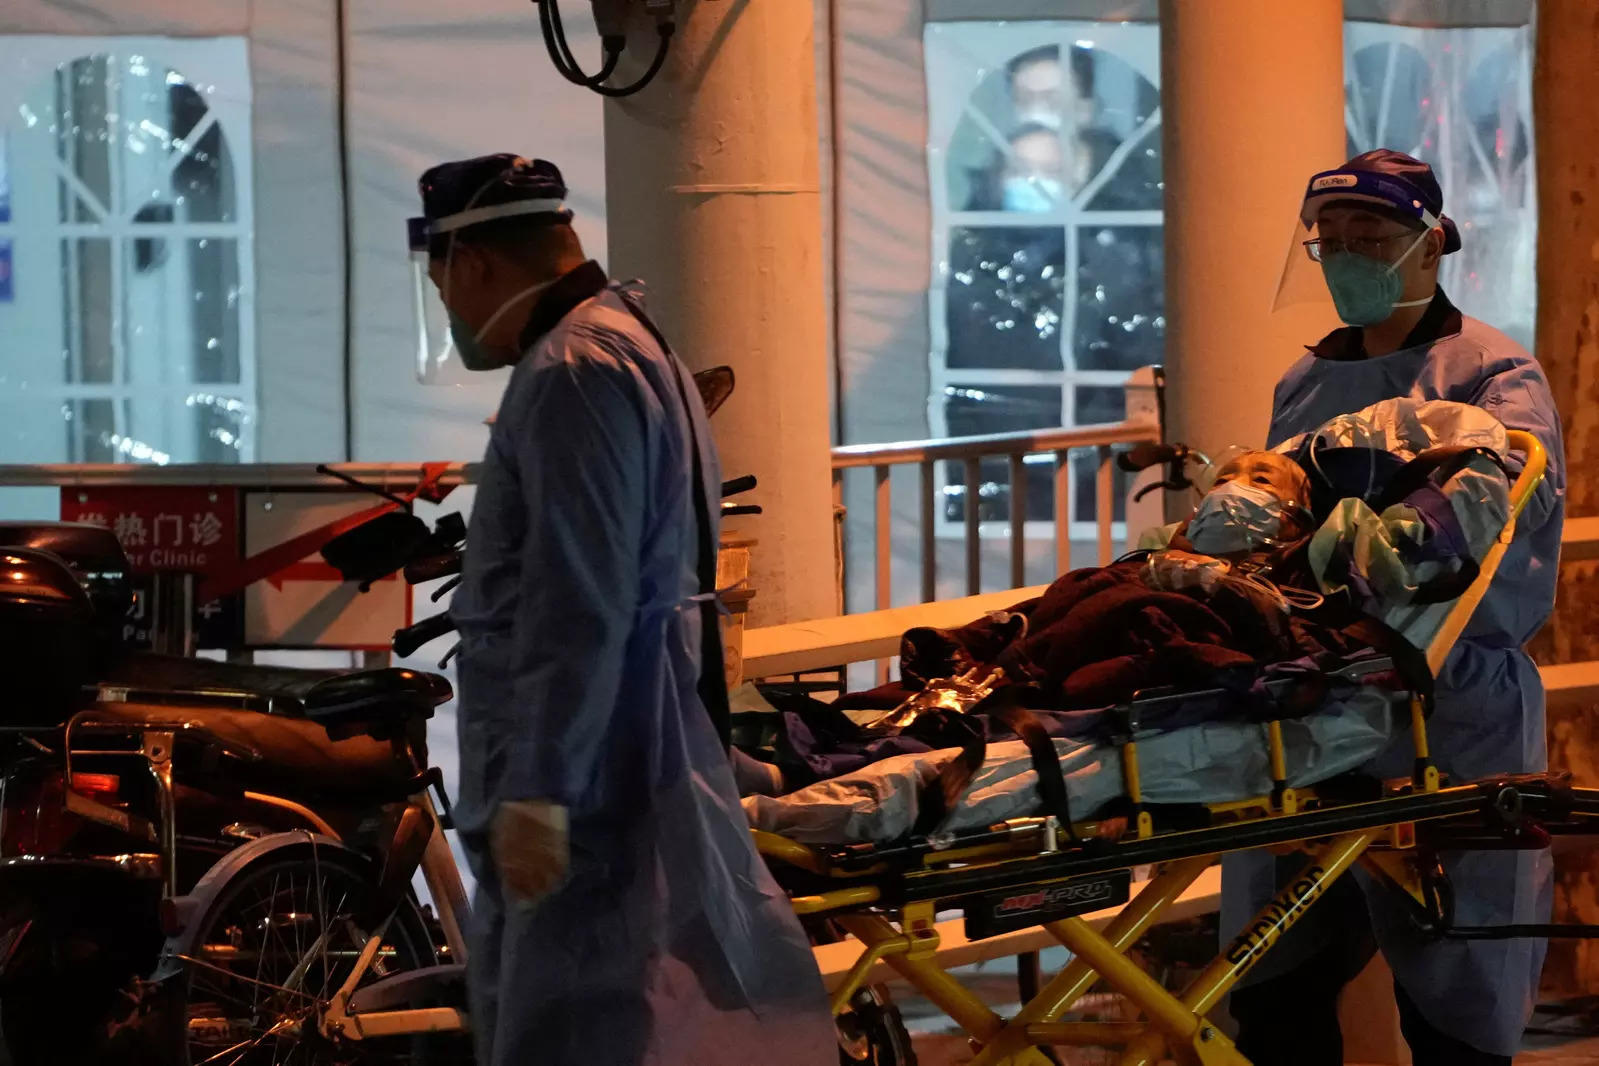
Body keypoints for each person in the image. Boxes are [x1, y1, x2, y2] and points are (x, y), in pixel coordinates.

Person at [413, 154, 833, 1066]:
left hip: (592, 763)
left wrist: (539, 789)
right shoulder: (627, 337)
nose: (447, 310)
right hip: (628, 735)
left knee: (585, 1018)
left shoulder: (572, 369)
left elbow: (579, 595)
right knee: (644, 1004)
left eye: (442, 282)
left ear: (471, 265)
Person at [1225, 148, 1566, 1066]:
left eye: (1367, 239)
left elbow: (1498, 499)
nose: (1344, 259)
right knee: (1277, 977)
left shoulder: (1492, 376)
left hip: (1446, 701)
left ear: (1430, 244)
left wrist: (1389, 542)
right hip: (1312, 694)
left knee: (1453, 987)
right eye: (1327, 242)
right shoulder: (1303, 384)